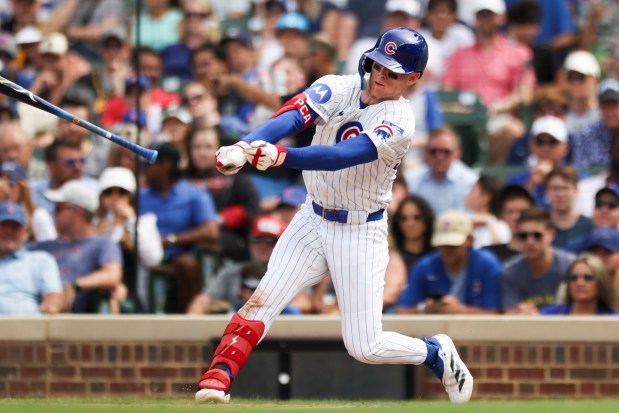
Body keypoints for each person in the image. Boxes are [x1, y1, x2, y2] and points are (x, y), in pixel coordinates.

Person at [196, 27, 473, 404]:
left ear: (412, 78)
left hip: (360, 230)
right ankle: (219, 377)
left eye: (392, 72)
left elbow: (347, 154)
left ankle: (432, 352)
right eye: (377, 65)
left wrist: (284, 157)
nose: (379, 75)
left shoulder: (401, 120)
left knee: (365, 345)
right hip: (312, 217)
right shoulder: (338, 86)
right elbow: (294, 115)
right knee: (263, 298)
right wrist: (246, 146)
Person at [27, 180, 124, 313]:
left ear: (77, 212)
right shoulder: (45, 246)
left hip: (77, 322)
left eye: (59, 208)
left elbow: (112, 274)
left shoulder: (102, 243)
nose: (53, 213)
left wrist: (75, 285)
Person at [396, 209, 502, 315]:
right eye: (442, 245)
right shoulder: (425, 266)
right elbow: (402, 311)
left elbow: (496, 313)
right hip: (434, 331)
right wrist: (424, 308)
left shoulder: (487, 264)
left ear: (469, 240)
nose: (447, 250)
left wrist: (461, 310)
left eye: (453, 245)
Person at [501, 206, 575, 315]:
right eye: (523, 236)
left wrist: (540, 317)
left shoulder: (570, 266)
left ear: (551, 234)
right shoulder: (509, 271)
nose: (530, 242)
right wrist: (519, 313)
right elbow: (509, 313)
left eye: (537, 235)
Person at [0, 201, 62, 315]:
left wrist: (51, 305)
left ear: (25, 231)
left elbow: (53, 296)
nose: (8, 231)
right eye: (4, 225)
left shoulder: (41, 260)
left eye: (15, 227)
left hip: (26, 329)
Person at [404, 126, 478, 214]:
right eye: (433, 151)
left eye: (446, 152)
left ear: (458, 153)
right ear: (425, 152)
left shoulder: (470, 182)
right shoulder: (411, 179)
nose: (439, 157)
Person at [383, 194, 435, 312]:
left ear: (426, 219)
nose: (410, 223)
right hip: (397, 316)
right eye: (404, 218)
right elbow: (390, 295)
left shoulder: (439, 255)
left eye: (417, 217)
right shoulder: (394, 257)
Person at [541, 254, 617, 315]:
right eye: (574, 277)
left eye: (588, 277)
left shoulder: (614, 319)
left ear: (601, 282)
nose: (579, 283)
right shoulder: (549, 315)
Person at [484, 184, 536, 263]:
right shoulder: (489, 255)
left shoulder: (545, 255)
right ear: (501, 215)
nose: (516, 217)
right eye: (510, 212)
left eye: (522, 211)